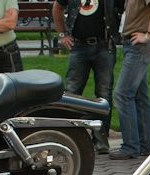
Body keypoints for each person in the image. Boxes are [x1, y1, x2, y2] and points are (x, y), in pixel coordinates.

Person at [53, 0, 125, 154]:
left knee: (104, 93)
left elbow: (124, 8)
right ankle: (68, 137)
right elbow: (58, 7)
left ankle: (100, 140)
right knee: (71, 93)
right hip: (78, 45)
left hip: (104, 44)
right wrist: (62, 34)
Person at [109, 0, 150, 160]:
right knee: (140, 97)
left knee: (123, 94)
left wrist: (148, 35)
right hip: (133, 44)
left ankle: (130, 146)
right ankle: (147, 145)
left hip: (138, 47)